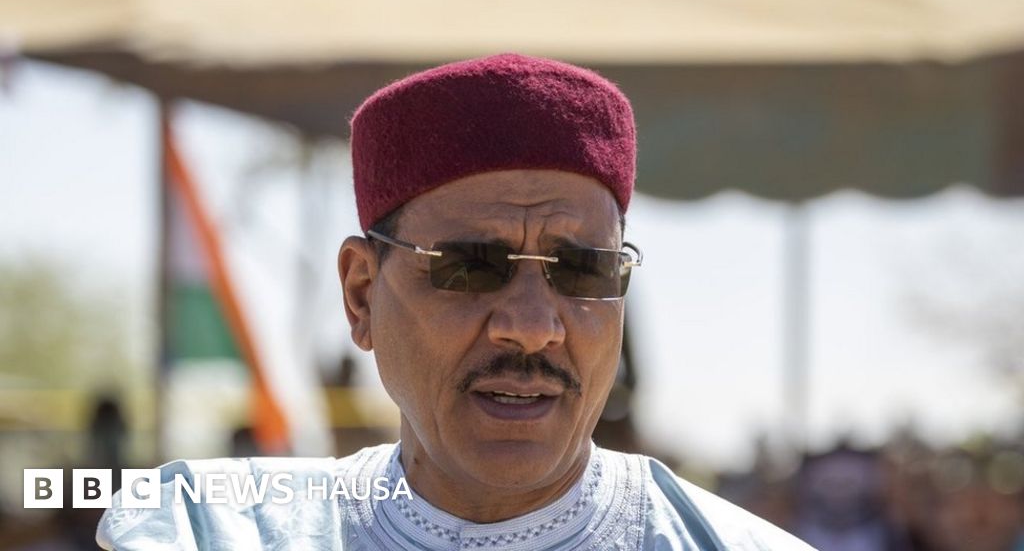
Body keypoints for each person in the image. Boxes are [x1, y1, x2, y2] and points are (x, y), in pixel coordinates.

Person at [97, 53, 815, 550]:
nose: (532, 328)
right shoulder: (213, 531)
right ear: (362, 295)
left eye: (581, 271)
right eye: (472, 267)